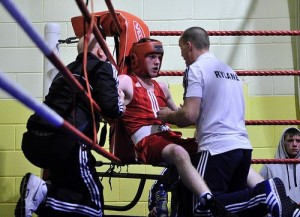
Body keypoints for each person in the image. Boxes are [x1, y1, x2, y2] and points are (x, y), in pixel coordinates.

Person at [157, 26, 300, 217]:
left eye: (181, 48)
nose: (181, 54)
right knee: (229, 212)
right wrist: (178, 109)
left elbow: (189, 115)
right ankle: (271, 200)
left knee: (201, 209)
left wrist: (168, 115)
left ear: (189, 46)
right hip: (242, 150)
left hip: (217, 150)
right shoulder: (229, 71)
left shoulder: (196, 69)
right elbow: (205, 114)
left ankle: (265, 195)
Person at [118, 37, 236, 217]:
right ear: (137, 58)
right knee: (179, 153)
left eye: (159, 57)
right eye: (151, 57)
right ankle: (207, 199)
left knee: (214, 149)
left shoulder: (162, 87)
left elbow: (182, 116)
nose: (157, 61)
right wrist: (116, 98)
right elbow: (108, 93)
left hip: (169, 138)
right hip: (147, 141)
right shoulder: (126, 81)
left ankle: (261, 188)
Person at [15, 34, 125, 217]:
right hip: (66, 142)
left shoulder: (64, 70)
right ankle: (42, 195)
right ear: (99, 51)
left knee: (68, 192)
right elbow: (112, 109)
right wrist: (121, 100)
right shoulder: (102, 66)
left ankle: (43, 195)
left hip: (33, 140)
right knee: (94, 206)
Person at [260, 127, 300, 203]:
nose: (294, 144)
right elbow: (258, 192)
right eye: (290, 140)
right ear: (283, 143)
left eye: (298, 141)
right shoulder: (269, 167)